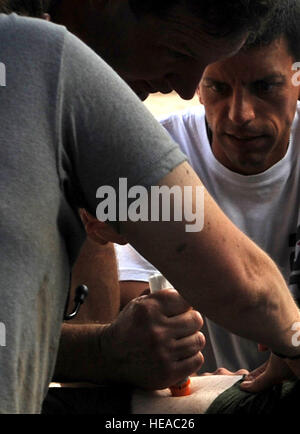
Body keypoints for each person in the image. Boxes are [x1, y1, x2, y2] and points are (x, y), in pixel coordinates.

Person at [1, 1, 300, 415]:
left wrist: (106, 352)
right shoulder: (43, 57)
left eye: (264, 85)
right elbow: (248, 286)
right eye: (178, 53)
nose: (184, 87)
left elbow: (24, 341)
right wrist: (293, 338)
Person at [115, 0, 300, 375]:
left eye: (264, 87)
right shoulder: (152, 156)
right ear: (197, 84)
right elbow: (129, 303)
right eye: (217, 87)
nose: (239, 115)